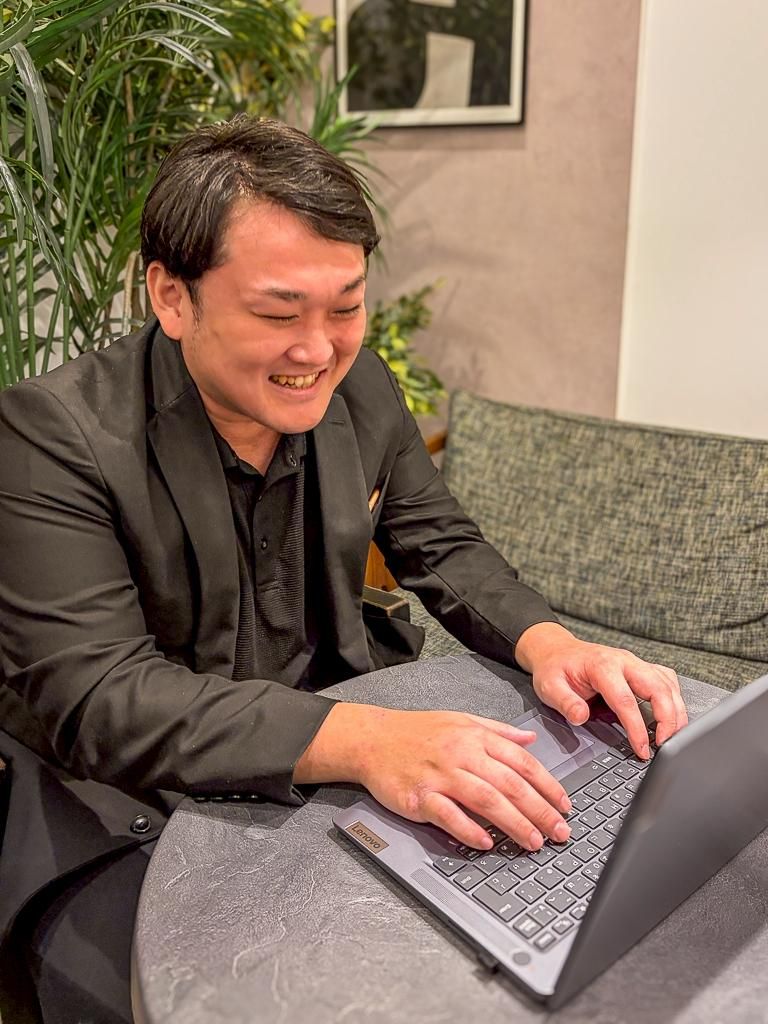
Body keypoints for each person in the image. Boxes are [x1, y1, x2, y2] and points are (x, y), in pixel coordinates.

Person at [0, 116, 687, 1022]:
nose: (319, 350)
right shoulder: (51, 436)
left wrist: (551, 642)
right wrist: (364, 740)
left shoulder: (357, 389)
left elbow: (440, 545)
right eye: (278, 314)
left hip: (326, 767)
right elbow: (100, 698)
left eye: (346, 307)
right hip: (122, 805)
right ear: (171, 296)